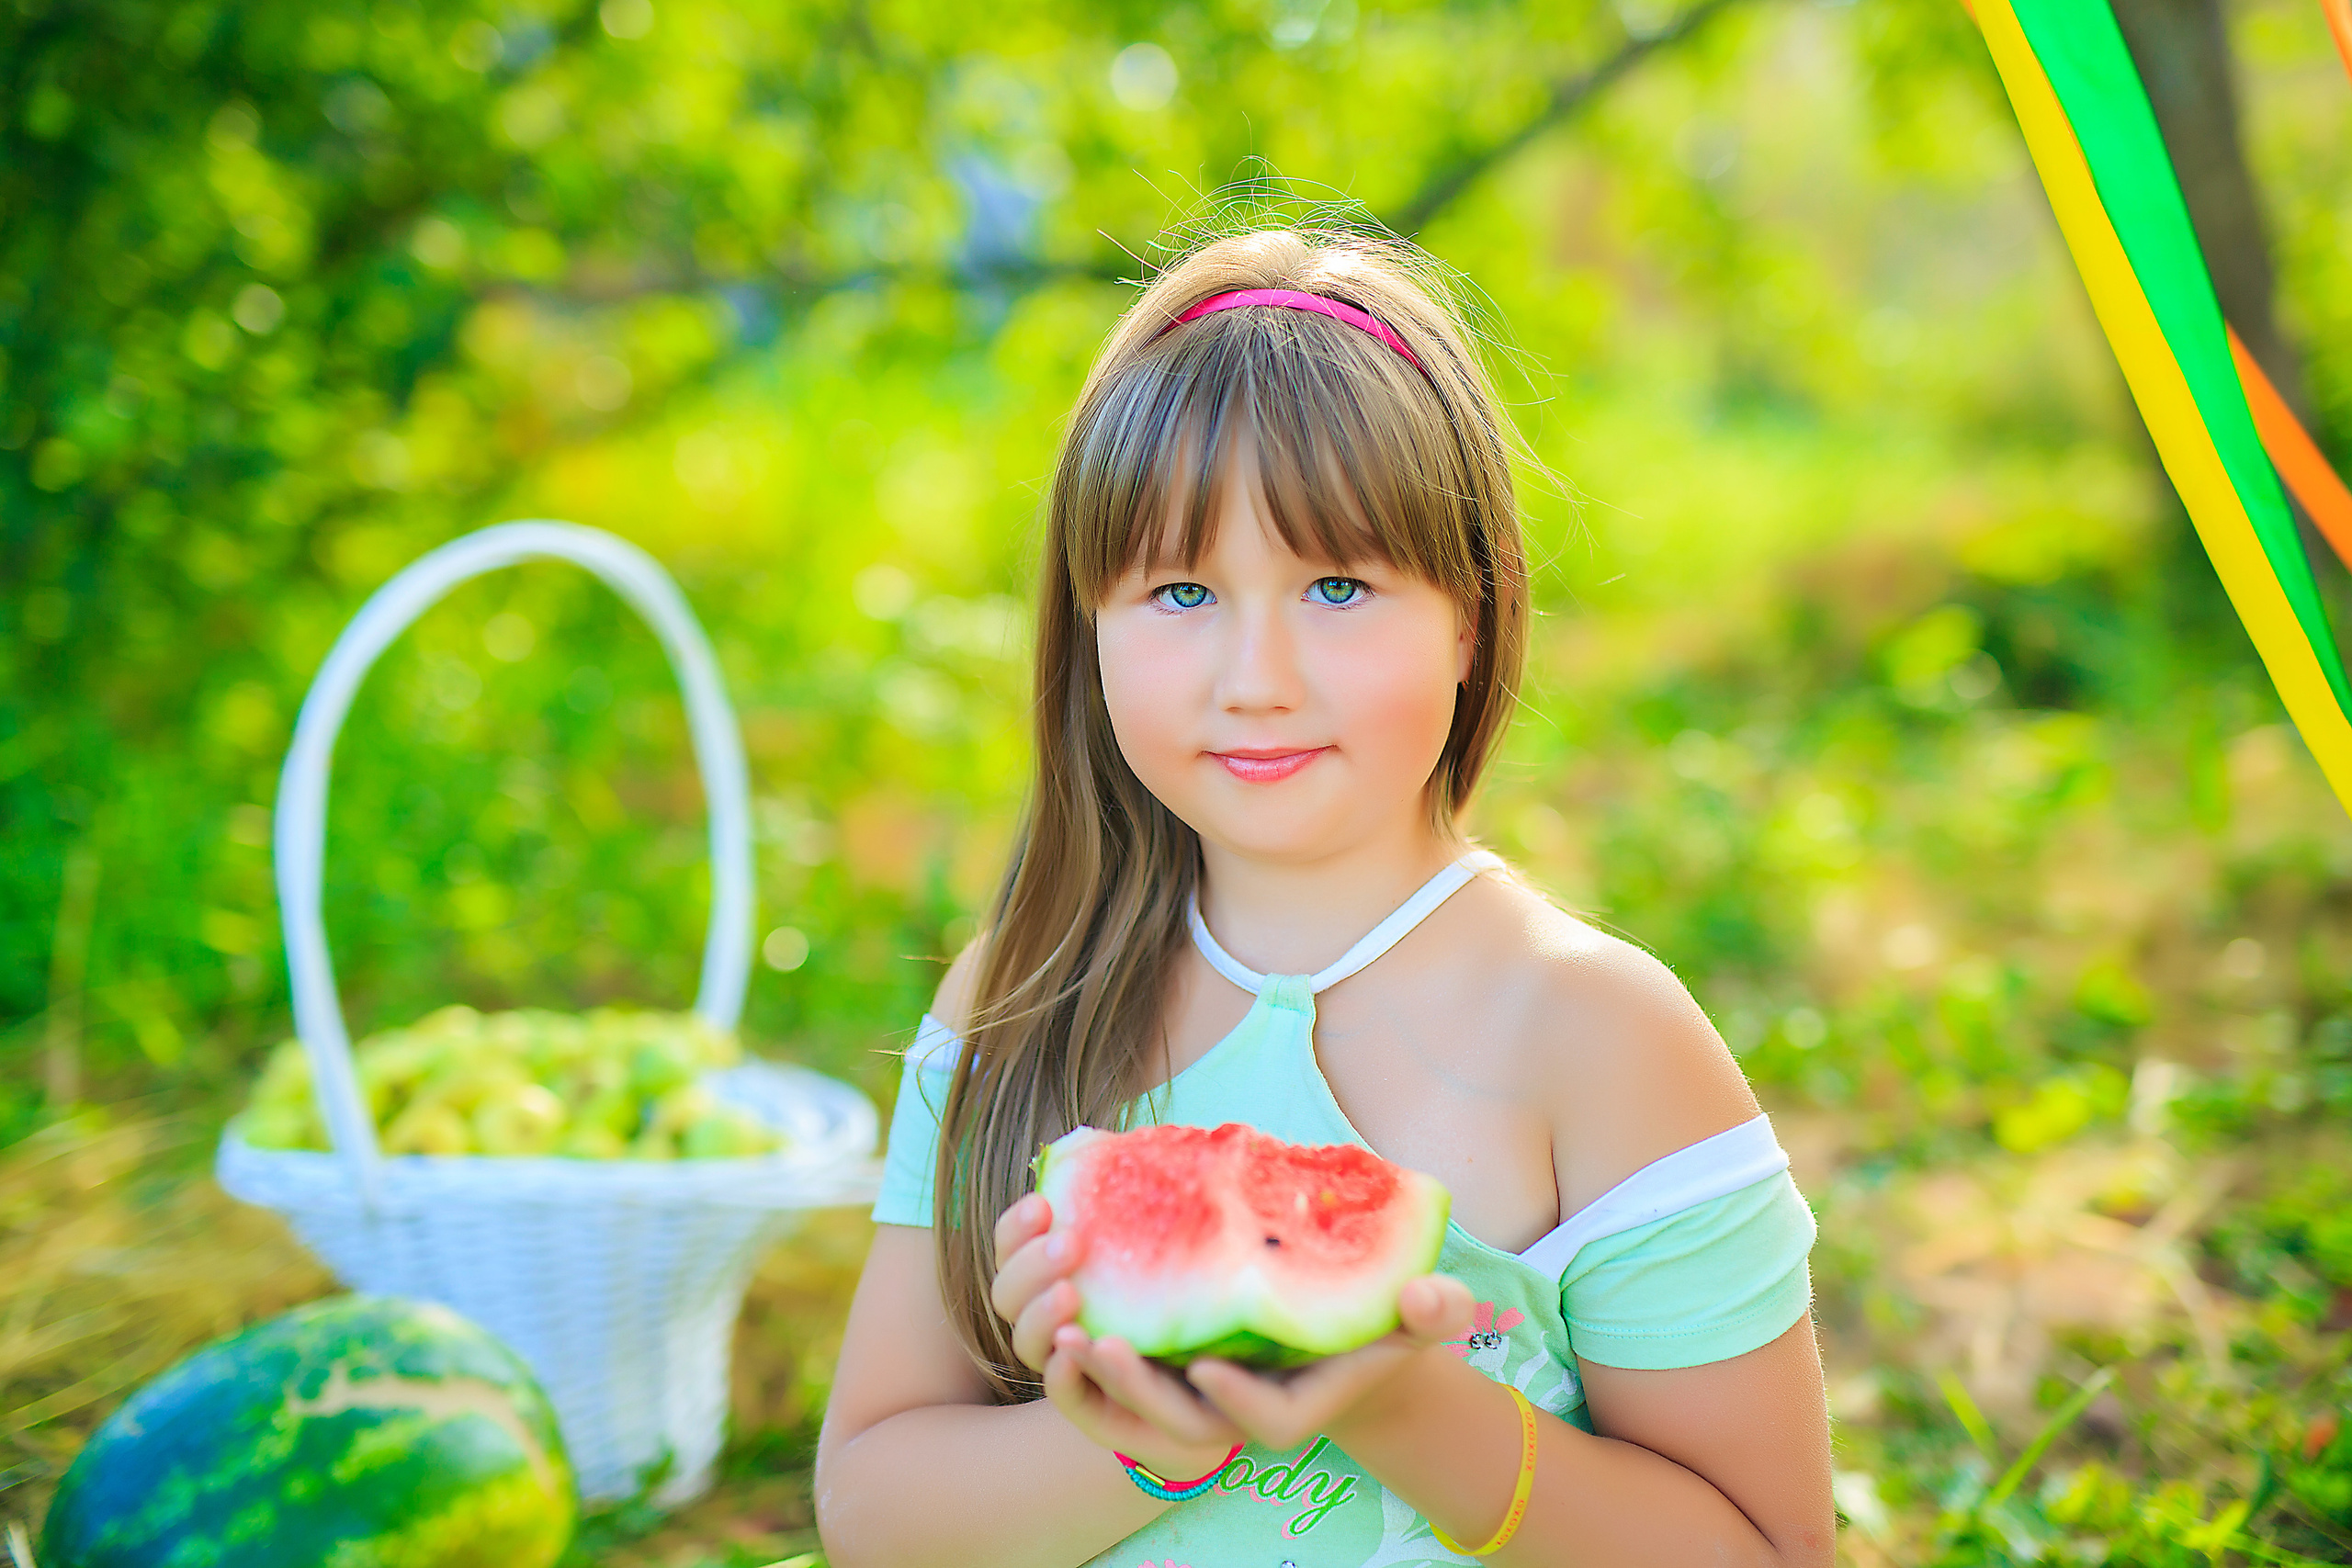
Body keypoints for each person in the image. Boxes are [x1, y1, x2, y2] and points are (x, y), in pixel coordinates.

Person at [814, 225, 1833, 1567]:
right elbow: (874, 1510)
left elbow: (1772, 1554)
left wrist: (1401, 1404)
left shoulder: (1599, 1035)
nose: (1258, 679)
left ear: (1470, 615)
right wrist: (1154, 1436)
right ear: (1090, 627)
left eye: (1337, 587)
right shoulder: (1018, 998)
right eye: (1182, 591)